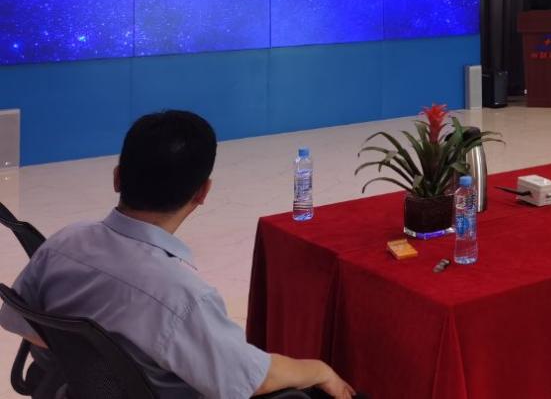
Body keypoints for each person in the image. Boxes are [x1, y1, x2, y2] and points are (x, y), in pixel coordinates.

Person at [0, 111, 356, 399]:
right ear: (202, 193)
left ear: (117, 178)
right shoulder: (181, 297)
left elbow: (19, 320)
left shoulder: (61, 243)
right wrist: (320, 369)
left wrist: (90, 365)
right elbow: (251, 379)